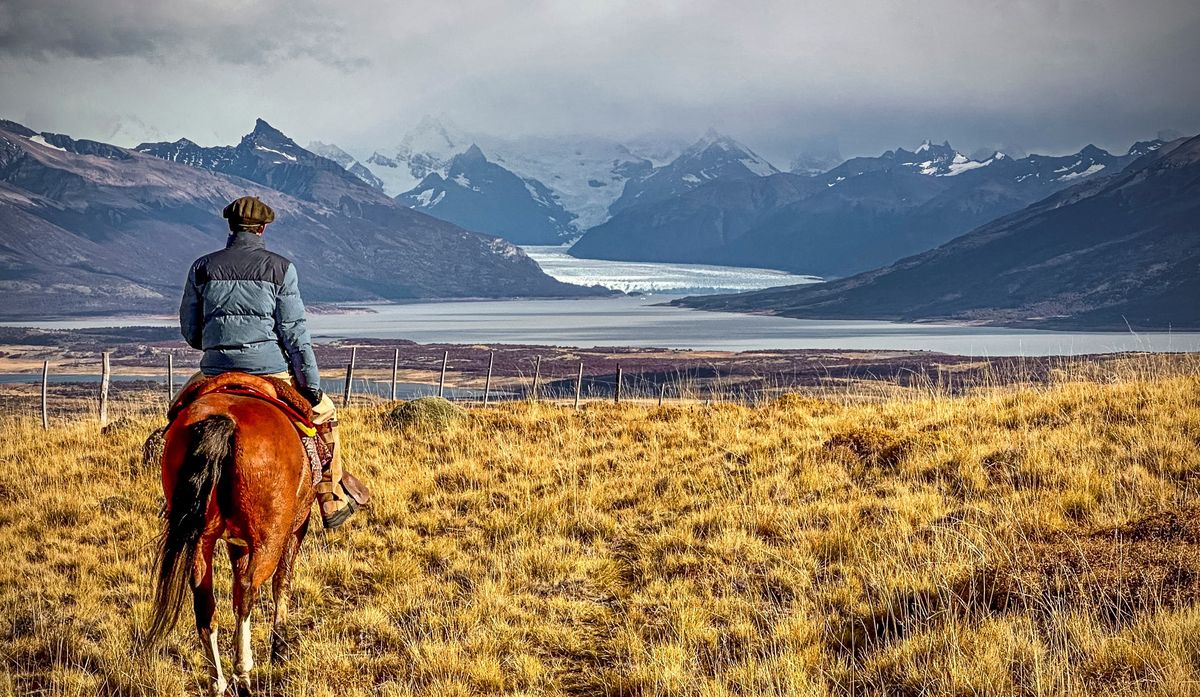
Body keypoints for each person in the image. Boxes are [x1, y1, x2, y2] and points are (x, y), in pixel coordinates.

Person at [178, 195, 358, 529]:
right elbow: (294, 333)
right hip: (269, 371)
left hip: (215, 371)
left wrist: (218, 344)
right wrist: (310, 385)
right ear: (262, 228)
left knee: (176, 415)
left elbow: (191, 331)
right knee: (325, 413)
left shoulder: (202, 267)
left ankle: (176, 497)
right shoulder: (281, 268)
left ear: (231, 226)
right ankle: (331, 499)